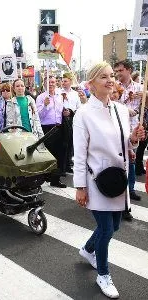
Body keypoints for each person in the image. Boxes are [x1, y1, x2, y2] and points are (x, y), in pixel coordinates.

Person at [73, 61, 145, 299]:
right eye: (103, 77)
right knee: (106, 229)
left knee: (113, 226)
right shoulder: (83, 114)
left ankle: (87, 249)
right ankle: (103, 274)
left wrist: (134, 139)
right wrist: (80, 187)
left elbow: (127, 147)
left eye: (111, 76)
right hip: (97, 180)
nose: (110, 80)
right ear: (92, 83)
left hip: (118, 181)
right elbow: (80, 154)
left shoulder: (121, 110)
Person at [114, 60, 143, 213]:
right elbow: (109, 103)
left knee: (131, 161)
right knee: (121, 162)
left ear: (129, 70)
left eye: (120, 70)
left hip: (134, 129)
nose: (118, 73)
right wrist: (125, 109)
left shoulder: (139, 87)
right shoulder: (114, 86)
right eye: (116, 71)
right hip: (118, 129)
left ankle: (130, 189)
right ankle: (121, 196)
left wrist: (146, 95)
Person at [36, 76, 66, 188]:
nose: (51, 84)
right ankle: (45, 176)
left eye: (53, 82)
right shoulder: (40, 97)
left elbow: (60, 112)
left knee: (58, 154)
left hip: (58, 127)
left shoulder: (59, 96)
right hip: (47, 128)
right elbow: (38, 115)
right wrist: (44, 105)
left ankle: (55, 179)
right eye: (48, 82)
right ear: (44, 84)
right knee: (48, 154)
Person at [60, 72, 81, 174]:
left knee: (71, 142)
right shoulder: (58, 92)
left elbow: (78, 108)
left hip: (72, 119)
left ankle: (68, 163)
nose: (63, 83)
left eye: (65, 81)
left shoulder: (75, 94)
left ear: (70, 82)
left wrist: (71, 112)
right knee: (63, 143)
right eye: (62, 81)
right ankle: (62, 165)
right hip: (61, 120)